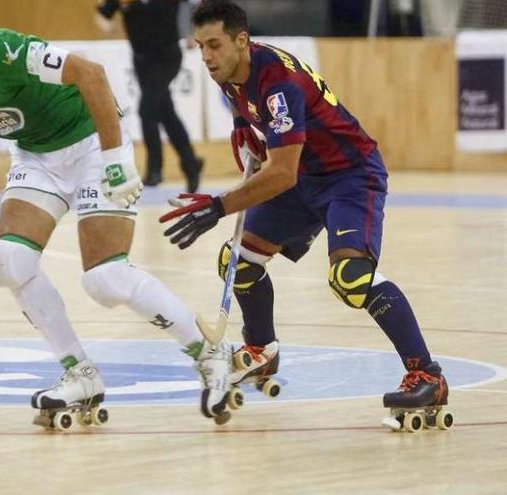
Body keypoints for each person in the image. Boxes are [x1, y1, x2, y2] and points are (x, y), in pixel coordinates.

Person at [0, 0, 232, 426]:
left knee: (105, 279)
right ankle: (78, 372)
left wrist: (115, 157)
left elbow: (91, 74)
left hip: (91, 145)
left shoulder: (2, 51)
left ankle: (208, 350)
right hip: (36, 158)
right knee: (7, 260)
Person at [159, 0, 449, 422]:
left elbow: (281, 174)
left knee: (350, 279)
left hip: (348, 176)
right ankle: (261, 350)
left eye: (214, 45)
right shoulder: (229, 72)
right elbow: (251, 121)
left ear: (242, 40)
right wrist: (244, 135)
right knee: (239, 260)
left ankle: (428, 375)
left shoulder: (278, 81)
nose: (206, 57)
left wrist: (217, 207)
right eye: (200, 46)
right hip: (303, 177)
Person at [95, 0, 204, 192]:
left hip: (167, 57)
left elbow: (195, 5)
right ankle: (191, 163)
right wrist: (108, 26)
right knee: (166, 113)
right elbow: (103, 16)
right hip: (142, 61)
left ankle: (155, 170)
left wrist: (192, 32)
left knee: (147, 109)